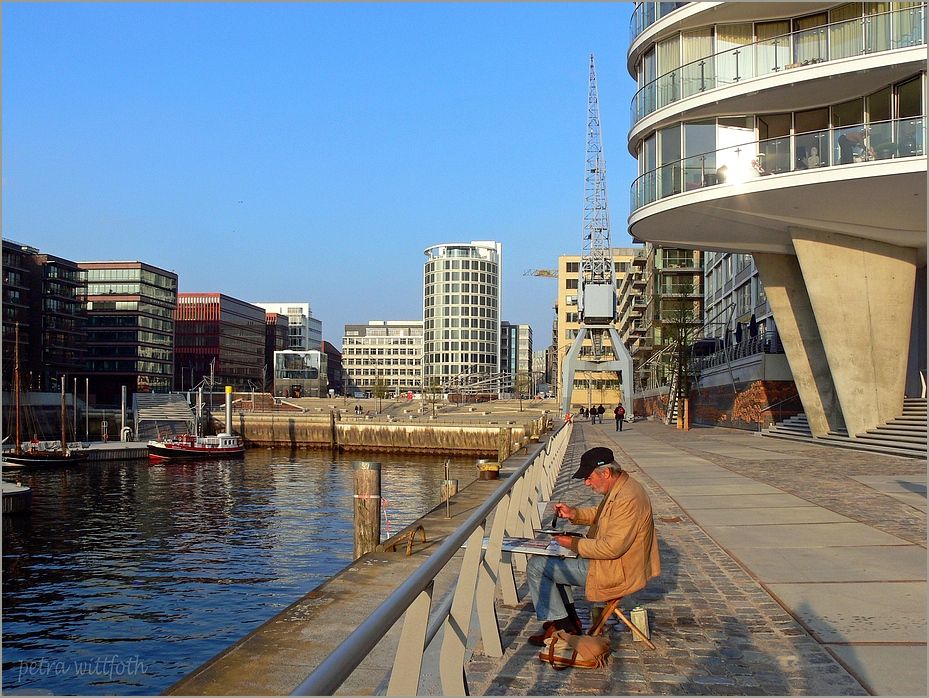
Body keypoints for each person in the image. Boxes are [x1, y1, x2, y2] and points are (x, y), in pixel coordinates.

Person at [526, 446, 660, 646]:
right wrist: (574, 514)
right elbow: (603, 514)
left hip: (617, 570)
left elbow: (611, 548)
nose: (587, 483)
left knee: (537, 566)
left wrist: (573, 543)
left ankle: (563, 627)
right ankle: (568, 622)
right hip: (616, 563)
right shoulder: (622, 487)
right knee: (554, 560)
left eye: (588, 478)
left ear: (605, 473)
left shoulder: (627, 498)